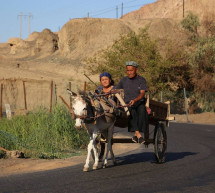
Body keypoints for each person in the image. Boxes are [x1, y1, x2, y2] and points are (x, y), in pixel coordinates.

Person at [116, 61, 149, 144]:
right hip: (127, 104)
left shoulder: (141, 80)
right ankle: (138, 135)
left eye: (131, 70)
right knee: (131, 111)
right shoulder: (123, 80)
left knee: (142, 110)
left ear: (136, 70)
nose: (129, 72)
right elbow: (116, 89)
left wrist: (135, 100)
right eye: (127, 70)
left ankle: (136, 134)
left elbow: (142, 93)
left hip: (139, 102)